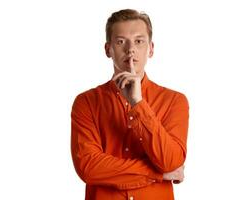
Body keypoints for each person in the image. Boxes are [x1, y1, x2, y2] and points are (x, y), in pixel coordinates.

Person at [71, 9, 189, 200]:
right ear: (108, 49)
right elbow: (89, 168)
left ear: (151, 49)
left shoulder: (175, 101)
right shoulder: (86, 102)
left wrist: (138, 103)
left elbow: (171, 161)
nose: (130, 49)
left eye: (138, 41)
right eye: (120, 42)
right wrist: (157, 174)